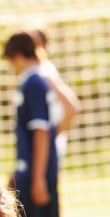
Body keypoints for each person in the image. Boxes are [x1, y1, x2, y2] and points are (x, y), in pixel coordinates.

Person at [5, 30, 59, 217]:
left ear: (16, 55)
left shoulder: (34, 82)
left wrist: (37, 176)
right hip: (28, 170)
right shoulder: (33, 81)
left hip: (36, 172)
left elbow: (41, 132)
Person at [30, 28, 82, 161]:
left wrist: (49, 137)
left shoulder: (44, 72)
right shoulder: (35, 72)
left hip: (46, 148)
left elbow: (72, 108)